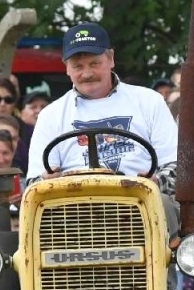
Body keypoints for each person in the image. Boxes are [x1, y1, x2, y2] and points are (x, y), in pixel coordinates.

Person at [24, 23, 178, 183]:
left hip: (138, 197)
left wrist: (157, 181)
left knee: (165, 204)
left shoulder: (149, 101)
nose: (87, 73)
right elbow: (33, 181)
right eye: (78, 66)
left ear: (111, 59)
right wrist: (45, 180)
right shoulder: (50, 115)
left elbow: (176, 166)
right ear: (67, 68)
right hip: (72, 202)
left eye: (94, 64)